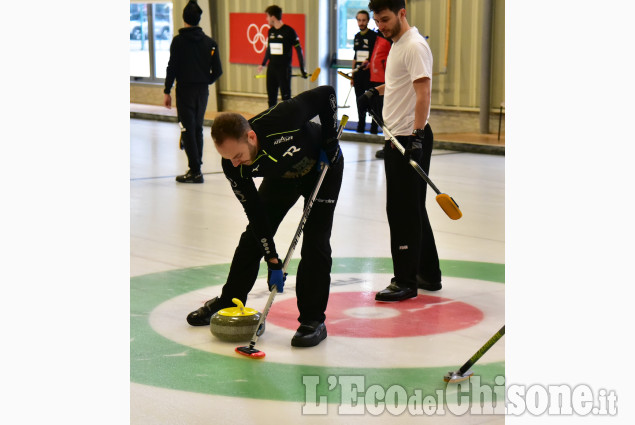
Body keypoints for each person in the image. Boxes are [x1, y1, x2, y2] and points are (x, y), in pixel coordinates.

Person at [186, 85, 343, 348]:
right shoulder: (234, 166)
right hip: (282, 178)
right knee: (252, 239)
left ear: (250, 136)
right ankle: (230, 299)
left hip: (322, 168)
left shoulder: (283, 118)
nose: (234, 164)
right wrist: (272, 258)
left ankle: (312, 320)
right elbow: (256, 214)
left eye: (237, 156)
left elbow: (326, 94)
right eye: (228, 158)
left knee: (315, 241)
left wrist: (330, 139)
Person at [358, 0, 442, 302]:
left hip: (409, 137)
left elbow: (423, 92)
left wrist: (417, 137)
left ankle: (405, 281)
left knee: (401, 210)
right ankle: (428, 274)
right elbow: (398, 84)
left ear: (401, 13)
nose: (380, 26)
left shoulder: (414, 46)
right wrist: (374, 92)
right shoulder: (398, 43)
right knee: (413, 207)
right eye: (377, 20)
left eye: (385, 19)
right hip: (398, 136)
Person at [164, 0, 223, 183]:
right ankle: (197, 166)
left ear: (184, 19)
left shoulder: (178, 42)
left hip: (185, 91)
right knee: (197, 128)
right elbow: (218, 71)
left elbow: (171, 67)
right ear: (199, 19)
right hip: (202, 92)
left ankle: (195, 170)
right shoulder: (210, 43)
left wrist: (167, 90)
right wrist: (205, 80)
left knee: (187, 128)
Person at [257, 5, 308, 108]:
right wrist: (263, 63)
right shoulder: (270, 31)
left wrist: (303, 69)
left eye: (267, 16)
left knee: (286, 100)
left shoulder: (289, 31)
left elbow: (299, 50)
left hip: (283, 70)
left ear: (273, 17)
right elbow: (269, 49)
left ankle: (287, 122)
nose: (266, 19)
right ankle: (271, 122)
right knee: (271, 99)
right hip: (271, 69)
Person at [352, 10, 378, 134]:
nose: (361, 23)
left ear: (368, 21)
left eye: (363, 20)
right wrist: (352, 75)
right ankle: (360, 127)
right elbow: (355, 56)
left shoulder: (373, 36)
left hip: (370, 76)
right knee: (359, 101)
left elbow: (375, 56)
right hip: (358, 75)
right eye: (359, 20)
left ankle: (374, 129)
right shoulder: (357, 36)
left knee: (372, 101)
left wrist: (369, 62)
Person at [368, 30, 392, 158]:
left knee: (386, 116)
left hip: (384, 82)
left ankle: (389, 145)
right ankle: (387, 144)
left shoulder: (389, 39)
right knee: (379, 114)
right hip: (375, 81)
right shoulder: (378, 37)